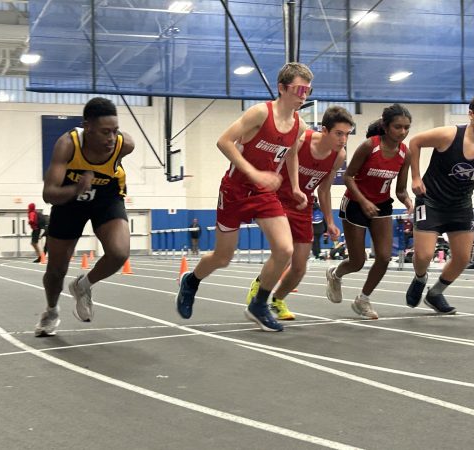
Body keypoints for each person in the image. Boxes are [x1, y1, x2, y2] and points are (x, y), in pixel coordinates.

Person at [175, 62, 313, 332]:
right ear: (282, 88)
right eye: (299, 89)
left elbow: (292, 154)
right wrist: (253, 172)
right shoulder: (260, 113)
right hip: (235, 189)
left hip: (264, 192)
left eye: (308, 90)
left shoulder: (299, 125)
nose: (304, 95)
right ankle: (191, 281)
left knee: (285, 249)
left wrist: (296, 187)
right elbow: (224, 141)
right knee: (222, 257)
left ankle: (259, 304)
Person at [405, 93, 474, 314]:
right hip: (431, 200)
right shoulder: (449, 135)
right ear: (471, 114)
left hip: (460, 205)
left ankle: (435, 293)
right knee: (424, 255)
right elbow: (415, 142)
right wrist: (415, 177)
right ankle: (420, 278)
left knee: (463, 257)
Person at [34, 97, 135, 337]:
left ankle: (83, 285)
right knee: (56, 270)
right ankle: (51, 311)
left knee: (119, 253)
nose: (111, 138)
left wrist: (95, 181)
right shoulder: (67, 145)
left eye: (115, 131)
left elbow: (115, 157)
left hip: (106, 198)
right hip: (69, 201)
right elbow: (49, 194)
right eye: (104, 132)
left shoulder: (125, 145)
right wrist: (76, 189)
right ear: (87, 127)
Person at [244, 106, 352, 320]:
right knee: (283, 253)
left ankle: (278, 300)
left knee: (300, 267)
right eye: (339, 133)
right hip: (278, 200)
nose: (343, 139)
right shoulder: (301, 141)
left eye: (347, 134)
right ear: (325, 130)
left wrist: (330, 221)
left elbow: (324, 188)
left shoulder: (339, 156)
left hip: (304, 207)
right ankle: (259, 290)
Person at [325, 104, 413, 319]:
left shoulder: (405, 153)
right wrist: (363, 201)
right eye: (397, 127)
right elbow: (348, 177)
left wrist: (409, 200)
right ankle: (335, 275)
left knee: (383, 257)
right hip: (355, 203)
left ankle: (363, 300)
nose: (402, 132)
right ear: (385, 126)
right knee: (357, 261)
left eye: (406, 128)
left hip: (382, 204)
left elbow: (400, 189)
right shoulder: (369, 146)